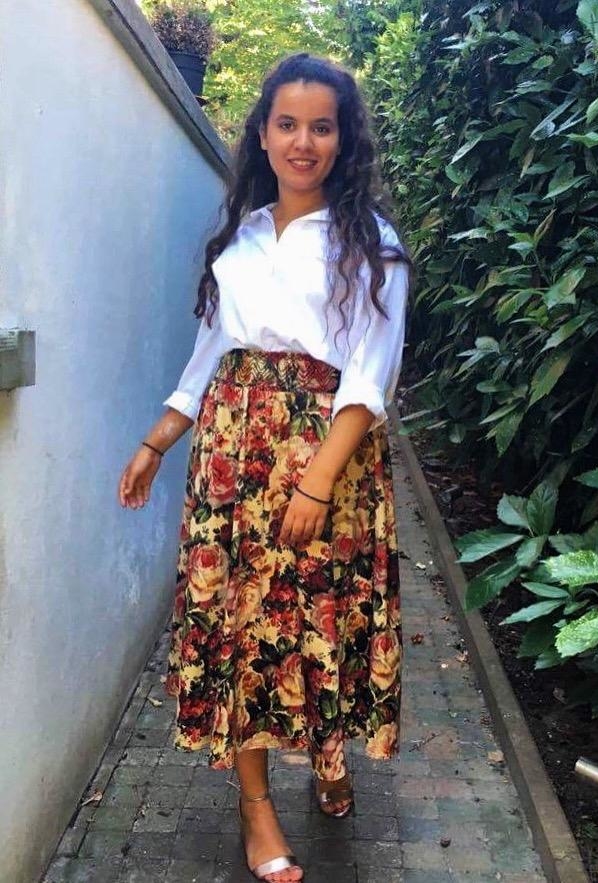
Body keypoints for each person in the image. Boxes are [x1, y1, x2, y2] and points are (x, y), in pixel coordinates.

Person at [118, 52, 409, 882]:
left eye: (321, 127)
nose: (302, 142)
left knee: (322, 617)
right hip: (231, 456)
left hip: (328, 458)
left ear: (343, 140)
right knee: (238, 623)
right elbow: (208, 355)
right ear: (263, 133)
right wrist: (156, 441)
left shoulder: (371, 244)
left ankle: (328, 754)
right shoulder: (241, 237)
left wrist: (316, 479)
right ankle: (255, 806)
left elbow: (369, 376)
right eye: (287, 124)